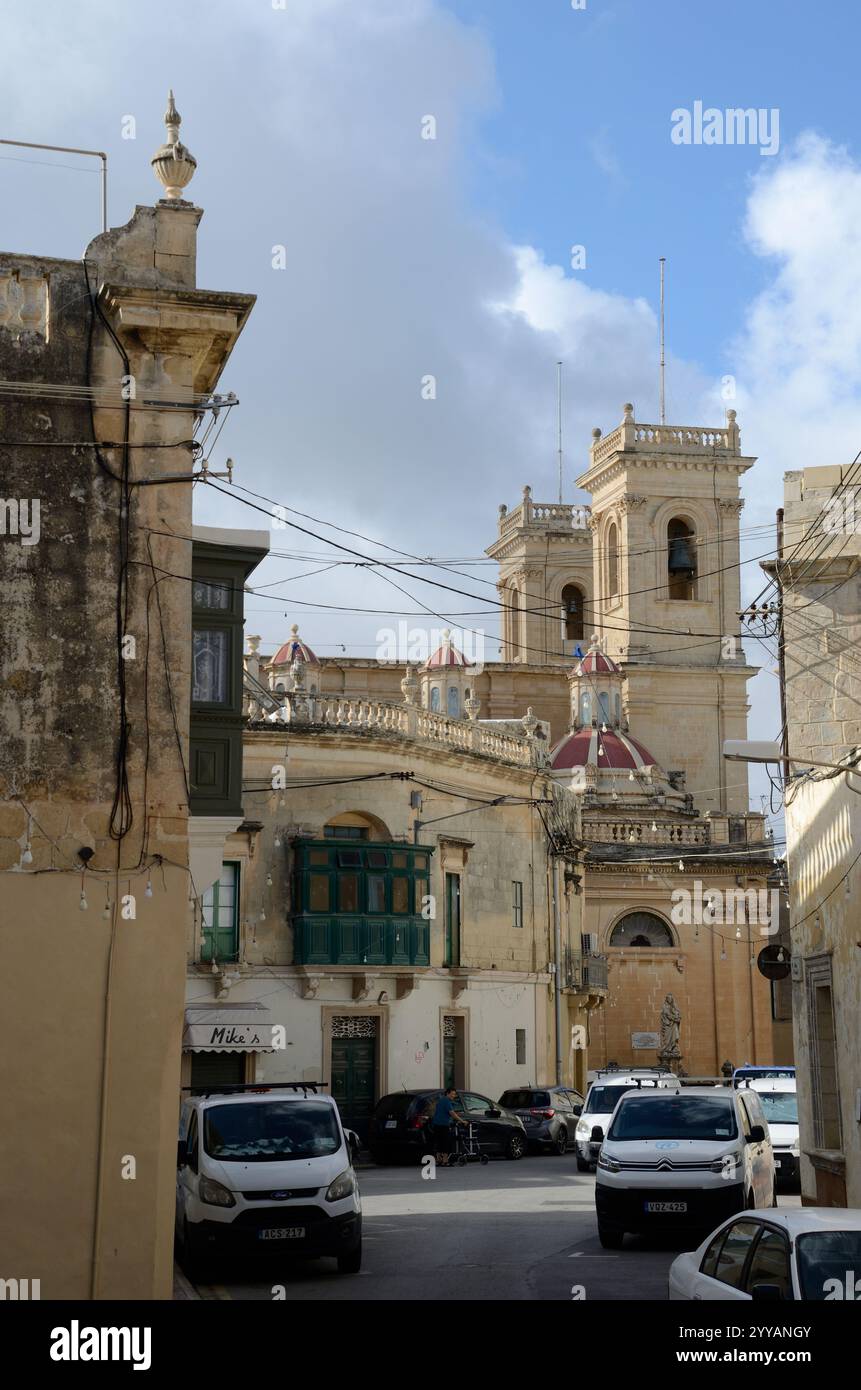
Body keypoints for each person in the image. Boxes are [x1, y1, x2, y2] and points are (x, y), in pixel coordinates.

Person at [431, 1087, 467, 1166]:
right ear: (447, 1093)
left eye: (454, 1094)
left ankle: (438, 1160)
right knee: (445, 1143)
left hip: (436, 1124)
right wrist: (462, 1121)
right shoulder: (447, 1101)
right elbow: (452, 1113)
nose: (454, 1096)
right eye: (452, 1094)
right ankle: (445, 1161)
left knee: (439, 1142)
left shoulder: (440, 1100)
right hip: (443, 1125)